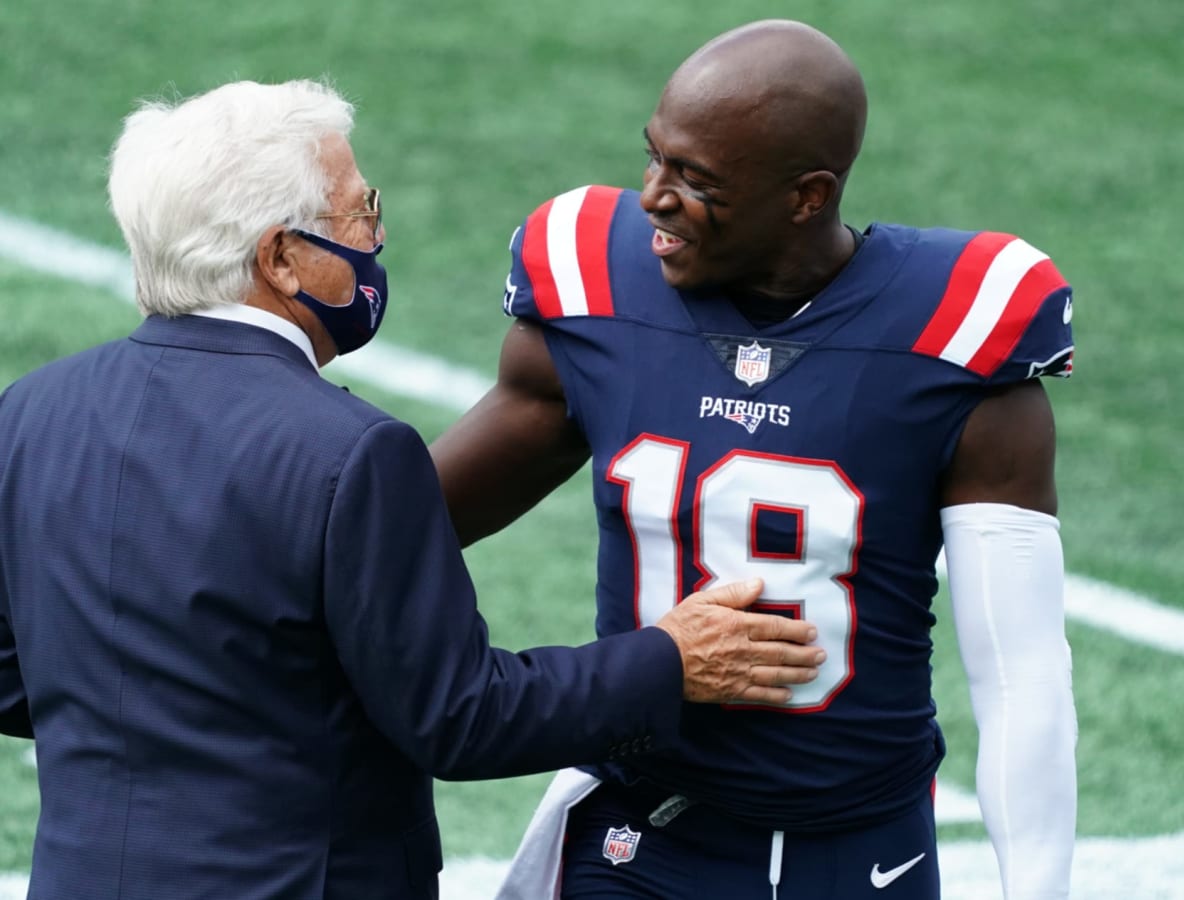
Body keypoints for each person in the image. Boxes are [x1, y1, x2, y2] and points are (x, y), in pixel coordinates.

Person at [0, 79, 828, 900]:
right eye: (358, 213)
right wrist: (669, 660)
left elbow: (12, 675)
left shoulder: (32, 410)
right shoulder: (351, 451)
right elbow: (460, 717)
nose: (377, 234)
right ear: (281, 258)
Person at [430, 19, 1078, 900]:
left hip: (858, 852)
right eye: (654, 158)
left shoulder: (960, 331)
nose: (654, 196)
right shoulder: (593, 286)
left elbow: (1021, 676)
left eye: (696, 181)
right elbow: (404, 528)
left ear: (807, 195)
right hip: (641, 833)